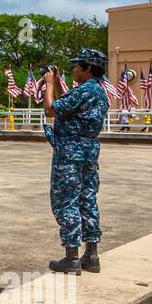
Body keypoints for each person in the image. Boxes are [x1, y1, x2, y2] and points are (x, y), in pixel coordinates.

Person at [41, 49, 110, 274]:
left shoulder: (85, 90)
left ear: (87, 68)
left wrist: (49, 84)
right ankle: (91, 255)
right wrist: (59, 82)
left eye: (77, 66)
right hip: (88, 154)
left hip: (69, 155)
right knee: (87, 200)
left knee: (66, 201)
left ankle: (71, 257)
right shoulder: (97, 91)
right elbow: (67, 102)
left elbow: (51, 110)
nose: (74, 70)